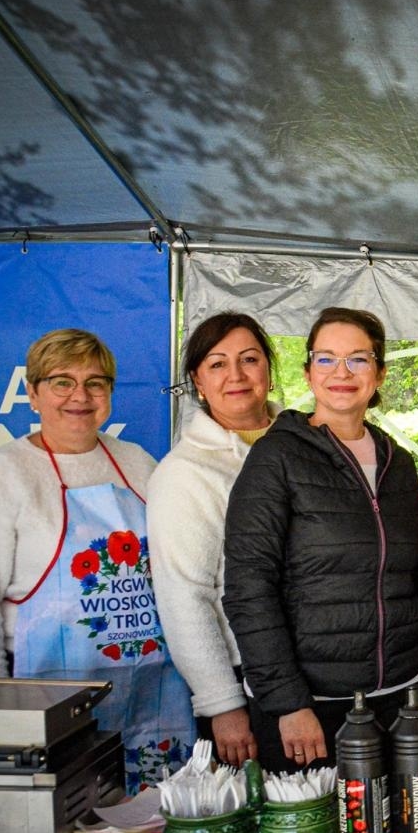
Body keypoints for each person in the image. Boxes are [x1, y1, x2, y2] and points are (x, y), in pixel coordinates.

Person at [0, 328, 192, 793]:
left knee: (148, 832)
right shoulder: (5, 474)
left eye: (96, 383)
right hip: (47, 700)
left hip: (150, 692)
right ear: (33, 393)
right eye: (62, 382)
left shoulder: (135, 462)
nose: (80, 396)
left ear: (110, 394)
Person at [224, 307, 418, 771]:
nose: (342, 373)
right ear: (308, 372)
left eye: (358, 359)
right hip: (312, 708)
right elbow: (248, 590)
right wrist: (288, 704)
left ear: (379, 373)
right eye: (327, 359)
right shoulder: (276, 458)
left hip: (400, 699)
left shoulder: (397, 463)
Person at [147, 312, 279, 768]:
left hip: (313, 672)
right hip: (244, 682)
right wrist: (222, 705)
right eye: (218, 364)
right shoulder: (185, 474)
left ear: (269, 370)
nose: (237, 375)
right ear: (197, 381)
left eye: (249, 359)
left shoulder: (304, 444)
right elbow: (184, 596)